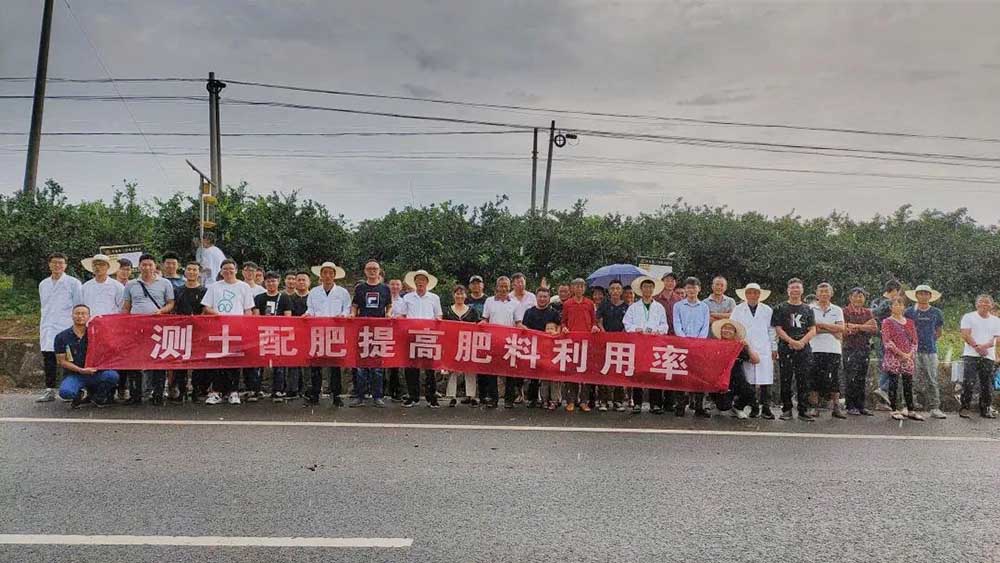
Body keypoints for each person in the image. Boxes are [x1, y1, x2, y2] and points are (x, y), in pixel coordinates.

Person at [122, 253, 175, 406]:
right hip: (136, 327)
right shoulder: (131, 284)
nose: (147, 268)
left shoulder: (165, 283)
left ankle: (158, 394)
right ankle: (135, 395)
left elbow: (171, 303)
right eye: (144, 265)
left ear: (155, 266)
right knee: (135, 361)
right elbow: (126, 306)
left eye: (150, 265)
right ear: (139, 266)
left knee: (158, 360)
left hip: (157, 327)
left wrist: (161, 311)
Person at [200, 259, 254, 405]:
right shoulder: (214, 287)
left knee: (234, 361)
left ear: (236, 270)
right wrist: (218, 315)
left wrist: (247, 327)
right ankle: (216, 392)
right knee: (217, 361)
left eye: (231, 269)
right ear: (221, 271)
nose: (228, 272)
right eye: (225, 269)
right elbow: (207, 307)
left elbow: (248, 309)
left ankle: (233, 392)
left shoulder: (244, 287)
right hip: (218, 330)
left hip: (236, 330)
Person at [35, 253, 83, 403]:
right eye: (54, 263)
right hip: (48, 326)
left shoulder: (73, 283)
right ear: (49, 265)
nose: (57, 266)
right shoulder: (43, 284)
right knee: (49, 358)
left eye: (61, 263)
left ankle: (73, 389)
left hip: (66, 327)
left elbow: (78, 306)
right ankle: (49, 390)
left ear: (66, 265)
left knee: (69, 359)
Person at [304, 261, 352, 407]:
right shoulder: (314, 291)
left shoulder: (342, 292)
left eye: (330, 273)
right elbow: (310, 309)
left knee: (335, 365)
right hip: (317, 332)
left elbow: (347, 309)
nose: (327, 275)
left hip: (336, 331)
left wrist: (343, 316)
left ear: (334, 275)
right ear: (321, 275)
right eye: (325, 273)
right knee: (316, 365)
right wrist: (306, 315)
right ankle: (315, 394)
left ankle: (336, 395)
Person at [55, 304, 119, 408]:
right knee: (65, 392)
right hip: (75, 373)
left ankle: (97, 397)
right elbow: (62, 361)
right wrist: (81, 370)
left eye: (83, 314)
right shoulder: (61, 337)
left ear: (89, 316)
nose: (80, 316)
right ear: (72, 316)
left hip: (95, 373)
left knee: (112, 376)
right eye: (77, 313)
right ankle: (78, 394)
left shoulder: (96, 334)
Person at [772, 278, 816, 421]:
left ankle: (803, 409)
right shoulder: (780, 308)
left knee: (804, 379)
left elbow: (812, 329)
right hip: (786, 346)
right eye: (792, 288)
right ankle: (787, 409)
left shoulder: (808, 309)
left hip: (803, 346)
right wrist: (791, 341)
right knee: (785, 378)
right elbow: (778, 329)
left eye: (798, 287)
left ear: (802, 290)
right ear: (788, 290)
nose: (795, 290)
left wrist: (802, 342)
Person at [730, 283, 777, 419]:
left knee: (765, 379)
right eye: (749, 292)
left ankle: (766, 408)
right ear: (745, 294)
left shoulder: (767, 310)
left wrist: (774, 347)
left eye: (755, 292)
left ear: (759, 294)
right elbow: (734, 328)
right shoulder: (738, 309)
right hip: (745, 347)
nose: (752, 295)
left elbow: (771, 330)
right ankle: (754, 407)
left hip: (764, 347)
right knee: (748, 380)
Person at [399, 269, 444, 408]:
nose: (420, 282)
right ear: (414, 282)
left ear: (427, 282)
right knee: (411, 367)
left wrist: (436, 321)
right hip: (411, 335)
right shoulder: (407, 298)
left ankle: (431, 397)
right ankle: (413, 396)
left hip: (428, 336)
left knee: (430, 368)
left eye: (423, 280)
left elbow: (439, 316)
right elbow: (402, 315)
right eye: (418, 280)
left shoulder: (434, 298)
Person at [351, 260, 391, 408]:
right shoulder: (360, 288)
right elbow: (355, 305)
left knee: (377, 366)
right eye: (370, 269)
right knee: (361, 366)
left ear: (379, 271)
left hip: (379, 331)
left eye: (375, 269)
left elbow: (389, 305)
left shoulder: (385, 289)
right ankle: (360, 396)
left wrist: (388, 314)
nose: (372, 271)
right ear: (365, 271)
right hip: (362, 329)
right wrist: (352, 315)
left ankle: (377, 396)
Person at [904, 284, 947, 419]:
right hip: (912, 351)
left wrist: (929, 340)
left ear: (930, 296)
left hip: (930, 350)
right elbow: (904, 330)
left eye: (926, 293)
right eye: (921, 293)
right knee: (911, 379)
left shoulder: (936, 312)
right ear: (916, 295)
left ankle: (935, 408)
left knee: (932, 380)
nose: (923, 296)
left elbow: (939, 332)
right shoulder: (909, 312)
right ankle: (908, 406)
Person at [672, 276, 711, 417]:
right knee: (681, 375)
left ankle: (699, 406)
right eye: (688, 288)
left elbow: (705, 327)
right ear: (685, 289)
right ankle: (680, 405)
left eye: (694, 288)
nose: (691, 290)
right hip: (682, 345)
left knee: (699, 376)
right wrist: (685, 341)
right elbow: (677, 324)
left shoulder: (704, 307)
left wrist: (697, 342)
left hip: (699, 346)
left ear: (699, 289)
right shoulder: (678, 306)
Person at [560, 278, 600, 412]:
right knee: (572, 374)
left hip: (587, 343)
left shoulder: (589, 303)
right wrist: (564, 328)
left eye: (582, 286)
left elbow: (594, 321)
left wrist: (594, 327)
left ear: (584, 288)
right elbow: (563, 322)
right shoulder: (567, 304)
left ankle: (584, 401)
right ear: (572, 288)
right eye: (576, 286)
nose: (579, 289)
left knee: (586, 374)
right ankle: (571, 401)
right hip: (572, 343)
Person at [882, 296, 924, 421]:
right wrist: (901, 354)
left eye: (900, 304)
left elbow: (915, 341)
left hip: (908, 357)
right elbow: (887, 341)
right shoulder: (887, 322)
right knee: (893, 383)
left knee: (908, 384)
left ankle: (910, 409)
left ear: (904, 307)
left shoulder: (910, 322)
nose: (898, 307)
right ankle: (894, 409)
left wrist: (909, 354)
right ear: (891, 307)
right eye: (895, 304)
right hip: (893, 357)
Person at [251, 271, 292, 402]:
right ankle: (256, 390)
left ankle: (278, 391)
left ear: (278, 281)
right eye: (268, 281)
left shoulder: (284, 297)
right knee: (258, 364)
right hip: (262, 334)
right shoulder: (259, 297)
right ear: (264, 282)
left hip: (279, 334)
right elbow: (256, 316)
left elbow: (288, 317)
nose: (271, 283)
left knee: (279, 365)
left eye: (273, 281)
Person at [518, 286, 561, 409]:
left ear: (549, 298)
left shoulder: (554, 313)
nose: (542, 299)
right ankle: (532, 399)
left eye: (545, 297)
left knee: (551, 375)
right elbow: (524, 329)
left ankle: (552, 399)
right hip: (533, 347)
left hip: (550, 349)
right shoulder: (529, 312)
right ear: (536, 297)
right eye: (540, 296)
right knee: (533, 375)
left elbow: (559, 328)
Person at [808, 283, 846, 419]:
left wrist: (822, 325)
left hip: (833, 349)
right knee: (814, 378)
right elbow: (811, 329)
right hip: (814, 348)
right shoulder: (810, 308)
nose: (824, 294)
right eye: (821, 291)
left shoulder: (837, 309)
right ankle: (814, 407)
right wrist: (831, 329)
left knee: (834, 378)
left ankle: (836, 407)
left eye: (826, 291)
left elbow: (841, 328)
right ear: (816, 293)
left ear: (831, 293)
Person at [959, 295, 1000, 419]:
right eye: (981, 302)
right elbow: (965, 334)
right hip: (970, 354)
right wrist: (977, 346)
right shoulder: (968, 316)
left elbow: (996, 337)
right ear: (976, 304)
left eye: (987, 303)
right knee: (968, 382)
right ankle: (965, 408)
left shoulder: (996, 320)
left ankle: (985, 409)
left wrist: (985, 347)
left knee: (986, 384)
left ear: (991, 305)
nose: (984, 304)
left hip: (988, 356)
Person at [482, 276, 520, 408]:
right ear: (496, 287)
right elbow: (485, 319)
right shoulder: (489, 301)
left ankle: (509, 400)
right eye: (501, 286)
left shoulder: (515, 303)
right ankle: (493, 398)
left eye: (506, 286)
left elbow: (518, 323)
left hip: (510, 341)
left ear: (510, 288)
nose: (503, 289)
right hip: (493, 341)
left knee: (510, 372)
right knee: (492, 372)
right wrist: (480, 324)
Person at [172, 261, 207, 401]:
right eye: (189, 269)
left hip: (199, 330)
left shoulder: (205, 290)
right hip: (181, 330)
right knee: (180, 361)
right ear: (185, 271)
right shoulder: (177, 290)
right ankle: (181, 390)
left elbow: (206, 308)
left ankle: (197, 390)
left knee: (198, 361)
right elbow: (173, 308)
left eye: (195, 270)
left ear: (199, 273)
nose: (192, 272)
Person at [712, 318, 759, 419]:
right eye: (724, 328)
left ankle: (738, 407)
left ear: (734, 333)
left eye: (730, 329)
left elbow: (756, 360)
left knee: (750, 392)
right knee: (723, 406)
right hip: (720, 381)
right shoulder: (715, 345)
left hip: (738, 380)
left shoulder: (738, 346)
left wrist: (748, 347)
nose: (727, 331)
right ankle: (718, 404)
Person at [443, 285, 481, 407]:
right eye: (457, 293)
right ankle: (452, 396)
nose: (459, 296)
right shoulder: (447, 310)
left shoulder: (472, 311)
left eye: (461, 293)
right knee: (452, 369)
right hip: (452, 343)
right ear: (453, 295)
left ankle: (471, 395)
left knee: (470, 369)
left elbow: (478, 326)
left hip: (468, 343)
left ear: (465, 295)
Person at [843, 287, 877, 416]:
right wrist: (864, 327)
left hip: (864, 348)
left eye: (861, 296)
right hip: (849, 348)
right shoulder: (844, 311)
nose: (858, 299)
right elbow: (845, 329)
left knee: (862, 377)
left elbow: (874, 328)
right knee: (851, 377)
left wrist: (856, 327)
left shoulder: (868, 312)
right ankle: (850, 405)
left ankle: (861, 405)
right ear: (850, 297)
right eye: (856, 296)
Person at [597, 280, 630, 411]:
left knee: (619, 371)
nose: (615, 291)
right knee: (604, 370)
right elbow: (598, 320)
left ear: (622, 291)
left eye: (618, 288)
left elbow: (628, 323)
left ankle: (618, 401)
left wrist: (621, 335)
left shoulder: (626, 306)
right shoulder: (604, 305)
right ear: (609, 291)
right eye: (612, 288)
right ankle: (603, 401)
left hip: (621, 343)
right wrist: (604, 333)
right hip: (605, 342)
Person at [870, 280, 902, 409]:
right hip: (886, 338)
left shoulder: (875, 301)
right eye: (898, 292)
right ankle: (883, 389)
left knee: (885, 366)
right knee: (891, 365)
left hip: (880, 338)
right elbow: (874, 314)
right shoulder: (886, 302)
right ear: (895, 290)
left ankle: (883, 401)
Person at [80, 253, 124, 318]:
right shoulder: (85, 287)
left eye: (101, 265)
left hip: (110, 323)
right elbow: (82, 307)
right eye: (95, 265)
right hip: (91, 323)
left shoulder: (117, 286)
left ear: (108, 267)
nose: (97, 267)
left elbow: (122, 307)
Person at [385, 278, 407, 402]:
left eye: (397, 284)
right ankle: (383, 391)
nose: (394, 287)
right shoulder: (384, 298)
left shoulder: (404, 301)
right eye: (392, 284)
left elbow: (405, 315)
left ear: (401, 287)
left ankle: (397, 392)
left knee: (396, 364)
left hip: (398, 334)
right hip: (383, 333)